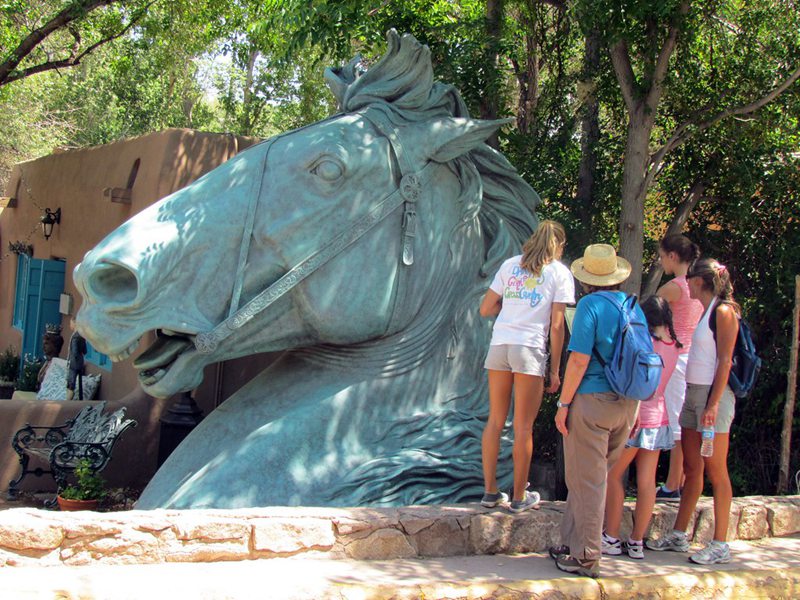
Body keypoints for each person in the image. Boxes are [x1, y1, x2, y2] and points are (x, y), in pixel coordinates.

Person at [548, 243, 640, 578]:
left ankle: (586, 556)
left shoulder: (589, 306)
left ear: (587, 278)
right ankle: (571, 543)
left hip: (592, 400)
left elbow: (579, 360)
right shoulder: (632, 306)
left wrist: (563, 404)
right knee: (585, 476)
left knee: (587, 481)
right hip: (627, 404)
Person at [646, 258, 739, 565]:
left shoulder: (724, 312)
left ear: (700, 281)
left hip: (712, 396)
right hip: (693, 393)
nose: (687, 284)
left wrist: (712, 404)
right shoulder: (705, 312)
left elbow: (725, 360)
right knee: (692, 468)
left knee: (716, 470)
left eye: (691, 280)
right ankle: (679, 533)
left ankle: (720, 542)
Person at [479, 220, 574, 513]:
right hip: (529, 349)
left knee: (495, 420)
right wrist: (556, 370)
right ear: (558, 245)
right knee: (523, 426)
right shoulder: (559, 273)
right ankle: (520, 496)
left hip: (500, 344)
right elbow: (557, 327)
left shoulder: (510, 266)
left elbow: (485, 308)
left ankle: (490, 492)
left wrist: (508, 309)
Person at [602, 296, 681, 560]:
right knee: (648, 482)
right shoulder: (674, 345)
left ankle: (611, 536)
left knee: (613, 474)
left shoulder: (645, 344)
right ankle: (636, 541)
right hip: (660, 418)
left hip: (638, 415)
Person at [655, 234, 703, 501]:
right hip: (693, 358)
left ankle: (673, 483)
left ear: (673, 256)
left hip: (674, 357)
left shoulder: (673, 287)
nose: (661, 261)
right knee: (685, 419)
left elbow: (649, 314)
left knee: (675, 421)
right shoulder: (696, 285)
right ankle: (682, 478)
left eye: (662, 256)